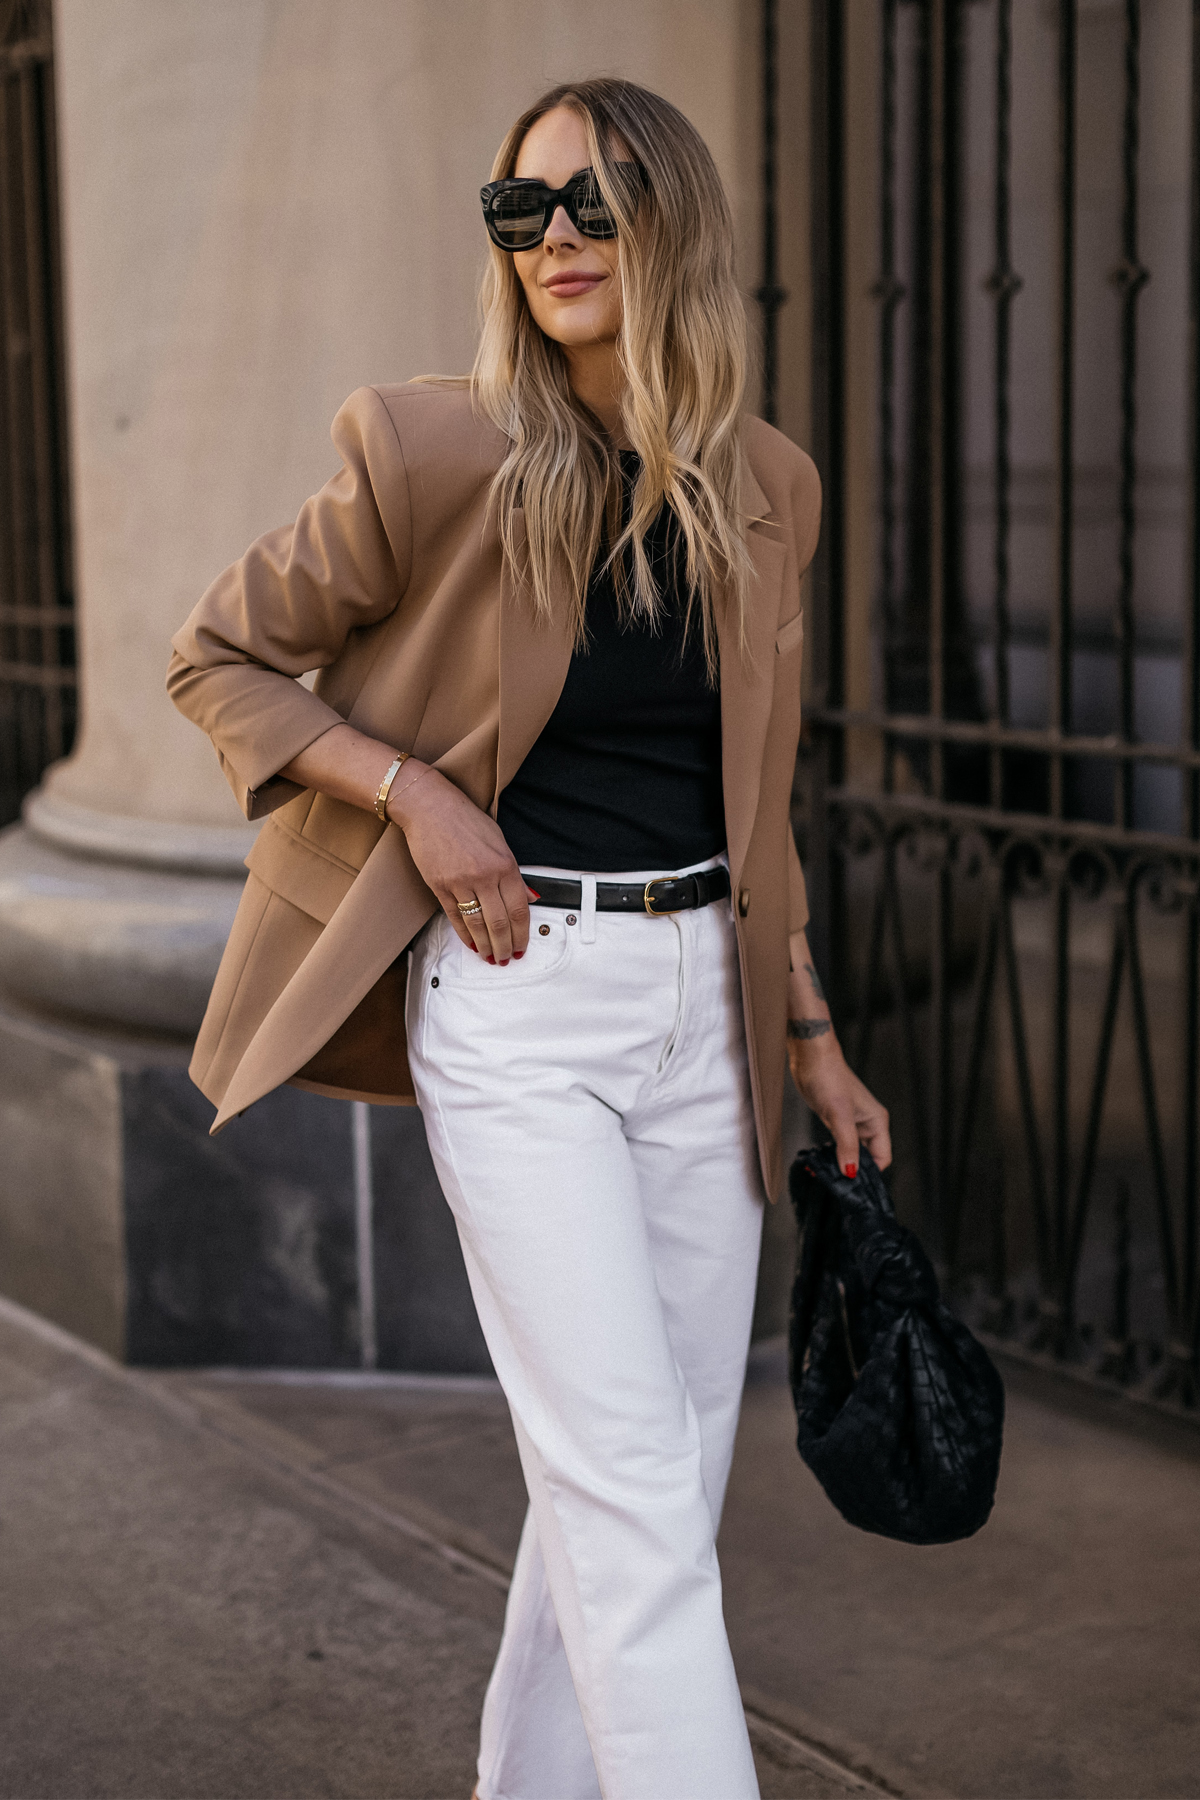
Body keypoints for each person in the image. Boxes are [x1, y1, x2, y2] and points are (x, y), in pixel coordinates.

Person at [168, 75, 890, 1800]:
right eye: (522, 211)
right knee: (631, 1481)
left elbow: (759, 791)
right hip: (519, 1002)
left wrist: (804, 1027)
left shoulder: (770, 485)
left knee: (652, 1478)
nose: (553, 239)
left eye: (594, 201)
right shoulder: (432, 448)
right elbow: (219, 659)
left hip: (703, 1008)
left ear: (679, 223)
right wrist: (412, 790)